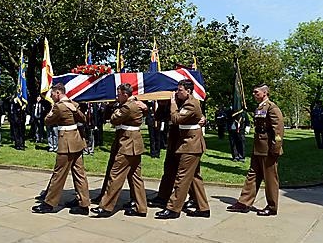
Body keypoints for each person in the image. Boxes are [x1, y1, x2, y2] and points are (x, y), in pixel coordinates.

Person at [32, 83, 90, 215]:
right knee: (80, 174)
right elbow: (84, 118)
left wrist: (53, 108)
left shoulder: (59, 107)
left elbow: (47, 120)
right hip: (77, 142)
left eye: (52, 94)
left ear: (58, 93)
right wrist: (75, 110)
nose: (51, 96)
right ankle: (83, 203)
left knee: (59, 174)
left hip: (66, 143)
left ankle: (49, 203)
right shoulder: (73, 104)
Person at [155, 79, 210, 219]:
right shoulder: (187, 102)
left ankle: (173, 209)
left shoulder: (191, 103)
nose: (176, 92)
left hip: (190, 144)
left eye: (180, 90)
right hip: (186, 143)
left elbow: (176, 119)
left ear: (188, 91)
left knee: (182, 177)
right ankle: (203, 208)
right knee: (194, 177)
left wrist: (172, 103)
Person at [91, 83, 148, 218]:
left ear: (125, 94)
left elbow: (114, 119)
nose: (116, 96)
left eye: (118, 94)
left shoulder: (128, 106)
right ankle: (141, 207)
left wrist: (115, 109)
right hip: (134, 144)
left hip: (127, 144)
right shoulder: (135, 104)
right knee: (135, 177)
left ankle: (106, 207)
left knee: (116, 175)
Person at [227, 84, 284, 216]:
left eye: (256, 92)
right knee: (252, 175)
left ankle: (272, 206)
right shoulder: (259, 107)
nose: (253, 94)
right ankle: (244, 202)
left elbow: (278, 130)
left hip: (268, 148)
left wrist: (276, 148)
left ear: (264, 93)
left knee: (270, 178)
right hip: (258, 147)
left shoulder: (272, 108)